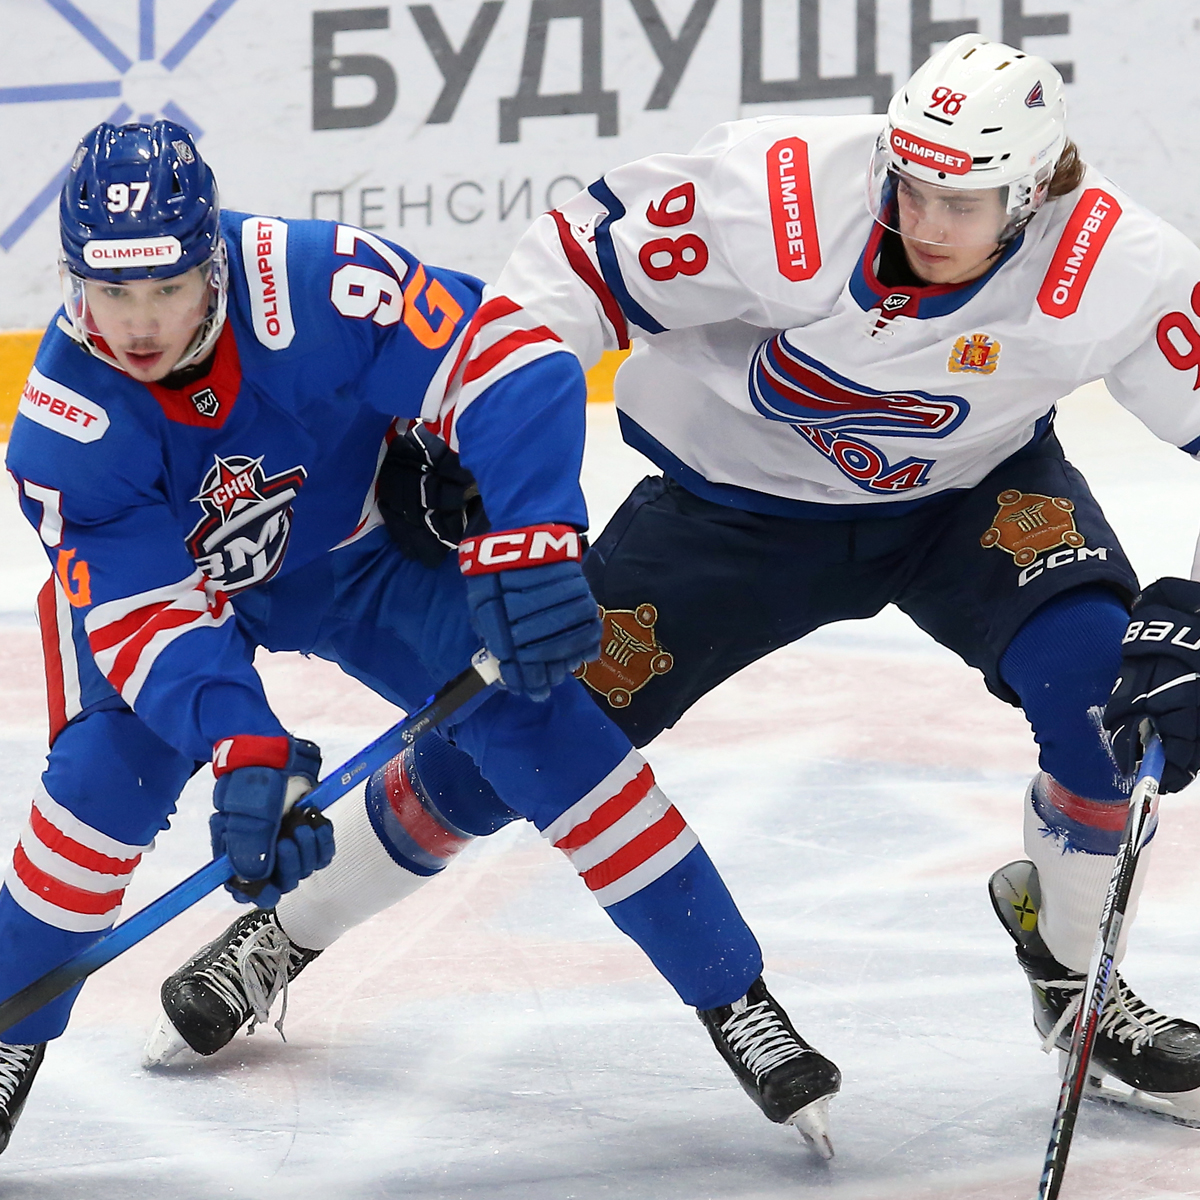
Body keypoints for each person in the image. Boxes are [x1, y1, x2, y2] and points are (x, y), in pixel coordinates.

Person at [153, 32, 1200, 1129]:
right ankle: (287, 929)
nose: (927, 223)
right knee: (517, 736)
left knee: (1101, 703)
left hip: (968, 502)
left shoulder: (1115, 262)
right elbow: (573, 263)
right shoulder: (780, 195)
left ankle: (1075, 981)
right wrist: (473, 429)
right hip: (732, 514)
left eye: (963, 202)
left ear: (1032, 194)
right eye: (913, 187)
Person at [0, 119, 842, 1158]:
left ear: (212, 257)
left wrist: (529, 537)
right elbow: (151, 619)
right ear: (72, 278)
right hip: (189, 606)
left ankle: (734, 996)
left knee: (549, 733)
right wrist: (247, 748)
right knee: (97, 794)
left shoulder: (318, 284)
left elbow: (513, 362)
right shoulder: (63, 429)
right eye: (111, 292)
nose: (138, 325)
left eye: (166, 288)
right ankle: (9, 1036)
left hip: (358, 560)